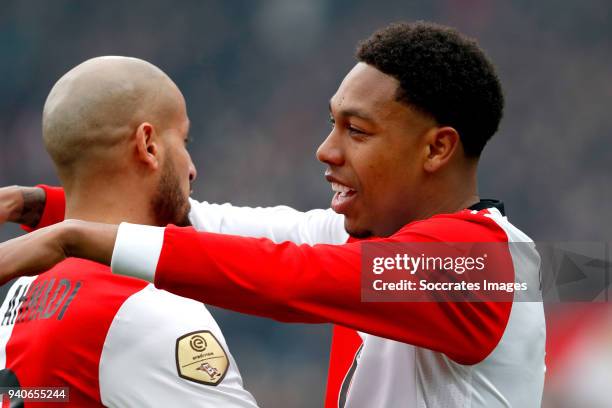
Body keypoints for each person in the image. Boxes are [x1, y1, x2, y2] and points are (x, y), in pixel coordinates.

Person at [0, 22, 546, 407]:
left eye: (356, 131)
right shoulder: (376, 239)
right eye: (332, 124)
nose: (326, 150)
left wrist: (73, 239)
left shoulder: (488, 266)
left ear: (437, 149)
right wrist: (40, 206)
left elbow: (283, 276)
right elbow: (209, 225)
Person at [0, 56, 258, 407]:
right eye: (184, 141)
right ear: (148, 145)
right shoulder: (146, 306)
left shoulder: (21, 291)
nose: (193, 169)